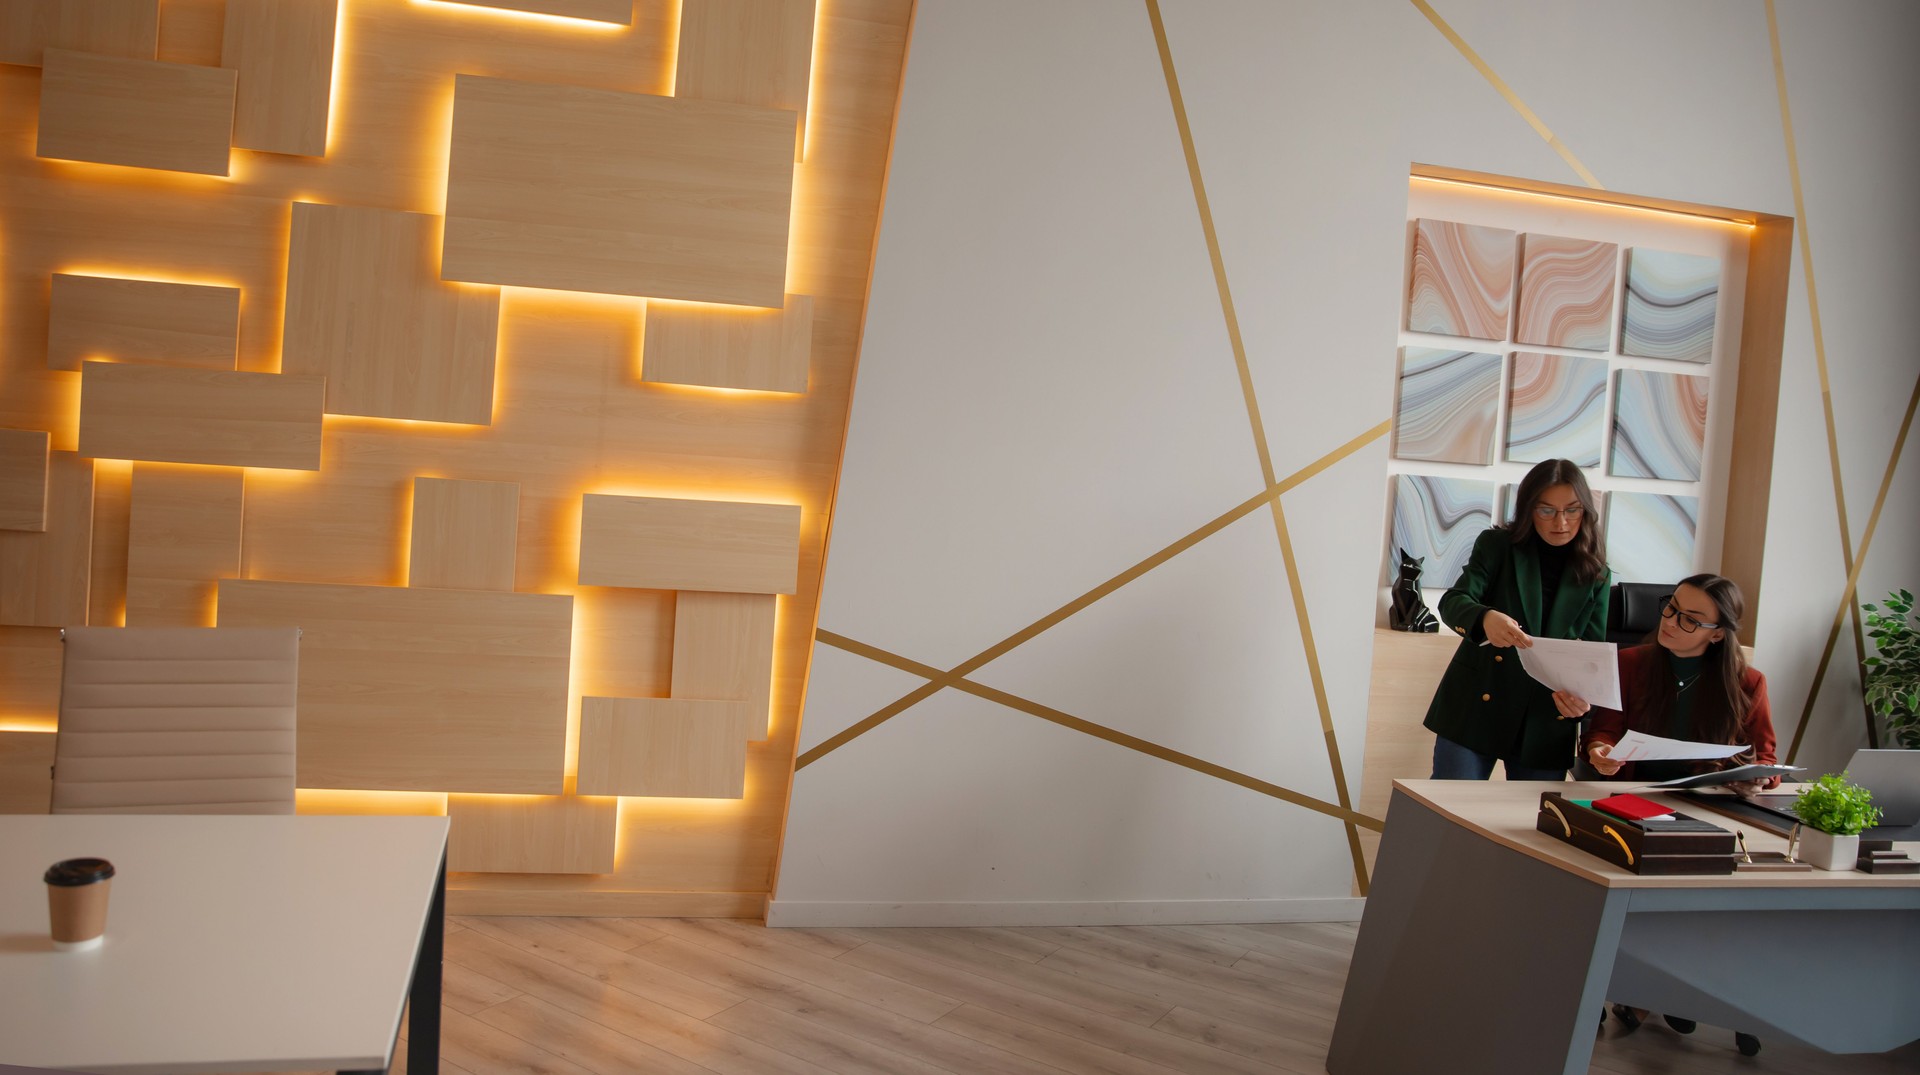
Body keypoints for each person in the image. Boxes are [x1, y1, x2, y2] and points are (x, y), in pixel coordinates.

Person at [1576, 572, 1774, 1058]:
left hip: (1709, 805)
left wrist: (1757, 776)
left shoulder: (1747, 681)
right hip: (1635, 800)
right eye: (1670, 609)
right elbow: (1602, 733)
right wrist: (1602, 753)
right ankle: (1654, 991)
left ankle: (1670, 990)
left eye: (1690, 619)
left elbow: (1765, 757)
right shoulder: (1631, 663)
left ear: (1718, 632)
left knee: (1718, 891)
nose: (1671, 622)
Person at [1421, 458, 1611, 780]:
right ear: (1528, 509)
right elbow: (1453, 601)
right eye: (1547, 510)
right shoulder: (1498, 546)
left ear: (1586, 512)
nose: (1561, 522)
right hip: (1478, 704)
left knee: (1531, 825)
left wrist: (1582, 701)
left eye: (1572, 510)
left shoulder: (1596, 573)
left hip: (1546, 719)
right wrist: (1484, 618)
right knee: (1450, 818)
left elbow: (1591, 656)